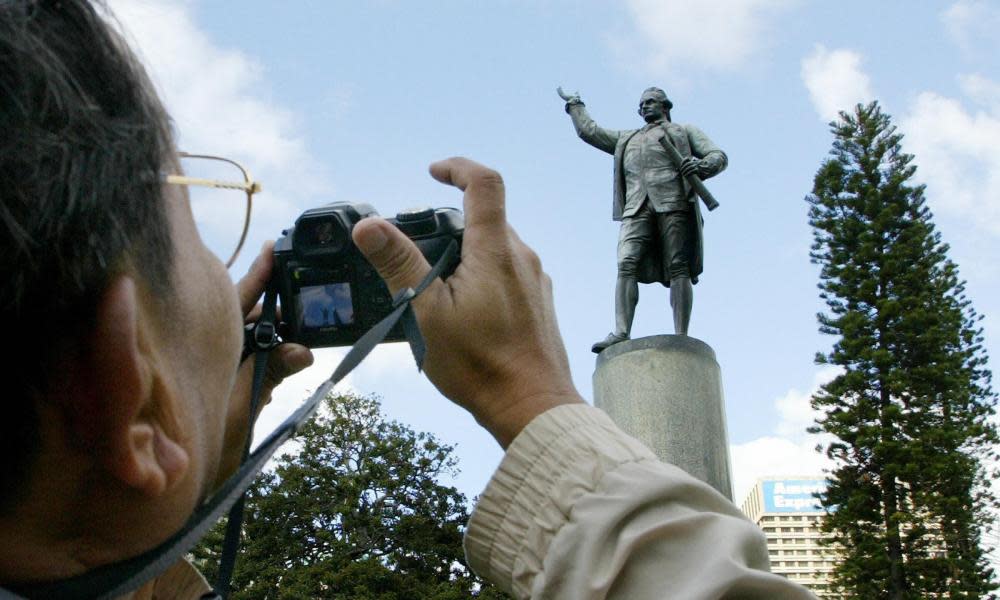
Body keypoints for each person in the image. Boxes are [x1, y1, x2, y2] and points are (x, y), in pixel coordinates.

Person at [0, 1, 814, 598]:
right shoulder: (630, 139)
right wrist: (529, 398)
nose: (243, 278)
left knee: (671, 276)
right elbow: (599, 135)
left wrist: (137, 494)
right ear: (121, 383)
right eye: (208, 234)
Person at [559, 87, 728, 352]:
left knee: (678, 266)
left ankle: (681, 334)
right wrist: (574, 104)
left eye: (651, 102)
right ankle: (621, 331)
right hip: (636, 207)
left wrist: (701, 166)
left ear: (665, 106)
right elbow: (589, 132)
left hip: (674, 203)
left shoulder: (684, 131)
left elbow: (717, 156)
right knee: (626, 263)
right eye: (641, 104)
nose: (645, 107)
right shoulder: (627, 138)